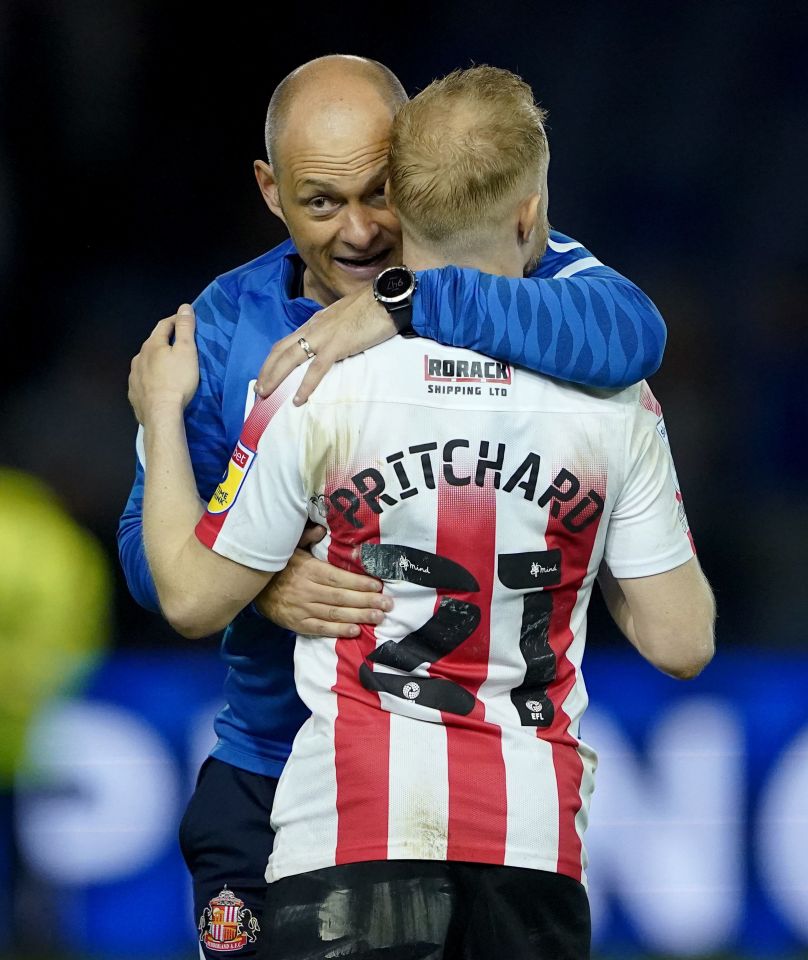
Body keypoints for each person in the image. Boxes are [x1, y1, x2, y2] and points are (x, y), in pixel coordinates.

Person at [130, 65, 714, 960]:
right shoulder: (225, 323)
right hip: (278, 760)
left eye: (379, 194)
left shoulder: (530, 275)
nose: (360, 231)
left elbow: (636, 332)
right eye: (322, 203)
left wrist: (405, 304)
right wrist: (266, 583)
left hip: (394, 800)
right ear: (270, 191)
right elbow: (149, 549)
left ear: (413, 173)